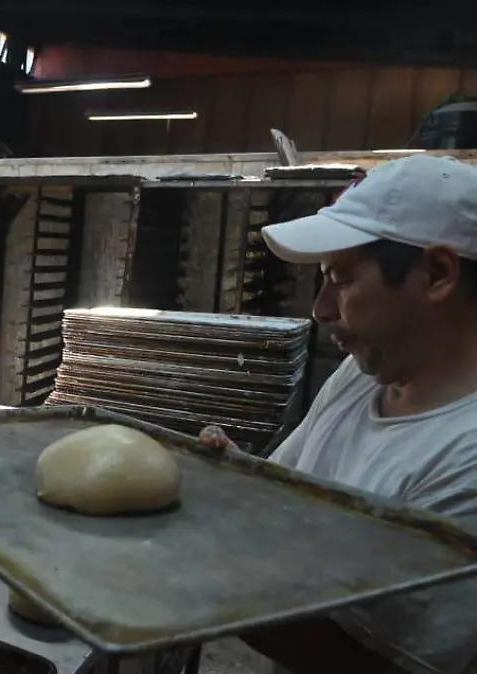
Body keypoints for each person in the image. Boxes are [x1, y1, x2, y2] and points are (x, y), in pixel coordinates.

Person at [201, 155, 477, 674]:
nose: (321, 309)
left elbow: (387, 664)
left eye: (342, 279)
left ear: (437, 274)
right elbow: (294, 498)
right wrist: (235, 480)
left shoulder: (466, 456)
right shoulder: (366, 373)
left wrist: (199, 568)